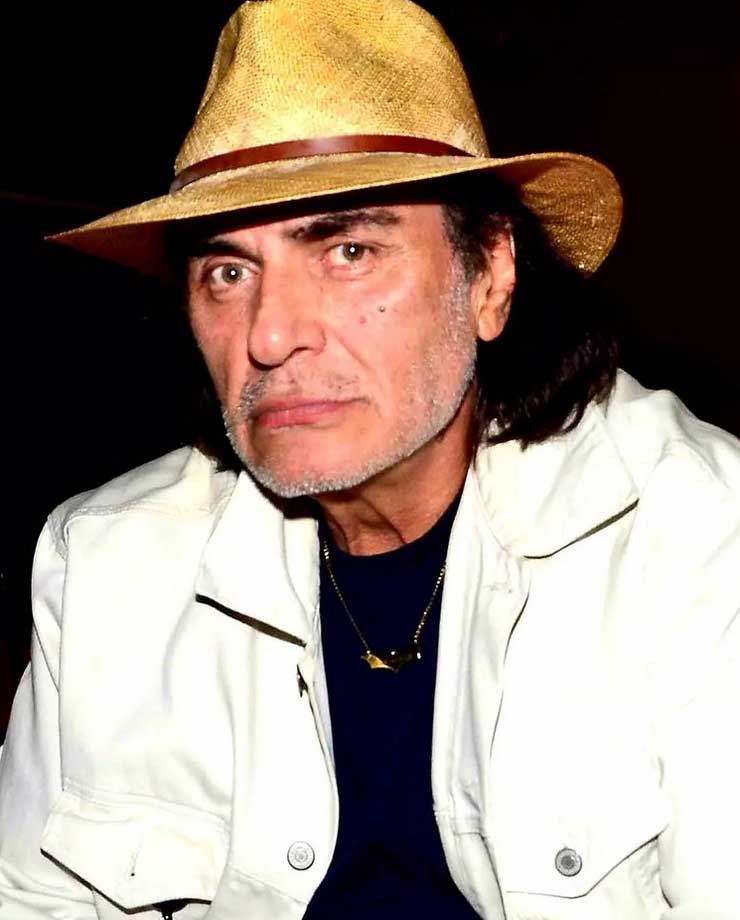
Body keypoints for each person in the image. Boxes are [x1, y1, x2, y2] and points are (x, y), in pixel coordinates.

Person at [1, 0, 739, 918]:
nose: (270, 335)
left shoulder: (699, 540)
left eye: (348, 251)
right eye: (227, 272)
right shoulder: (105, 563)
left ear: (490, 276)